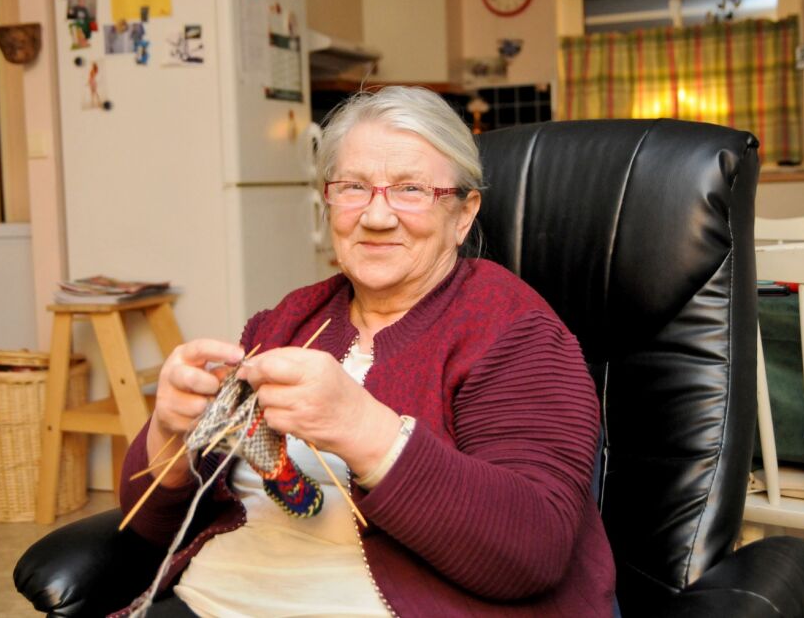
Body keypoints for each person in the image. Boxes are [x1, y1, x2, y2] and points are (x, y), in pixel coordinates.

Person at [120, 86, 616, 616]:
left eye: (410, 190)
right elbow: (149, 529)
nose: (376, 217)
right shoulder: (289, 321)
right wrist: (170, 433)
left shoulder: (513, 330)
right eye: (354, 187)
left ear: (463, 214)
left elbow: (532, 551)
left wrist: (362, 429)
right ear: (329, 202)